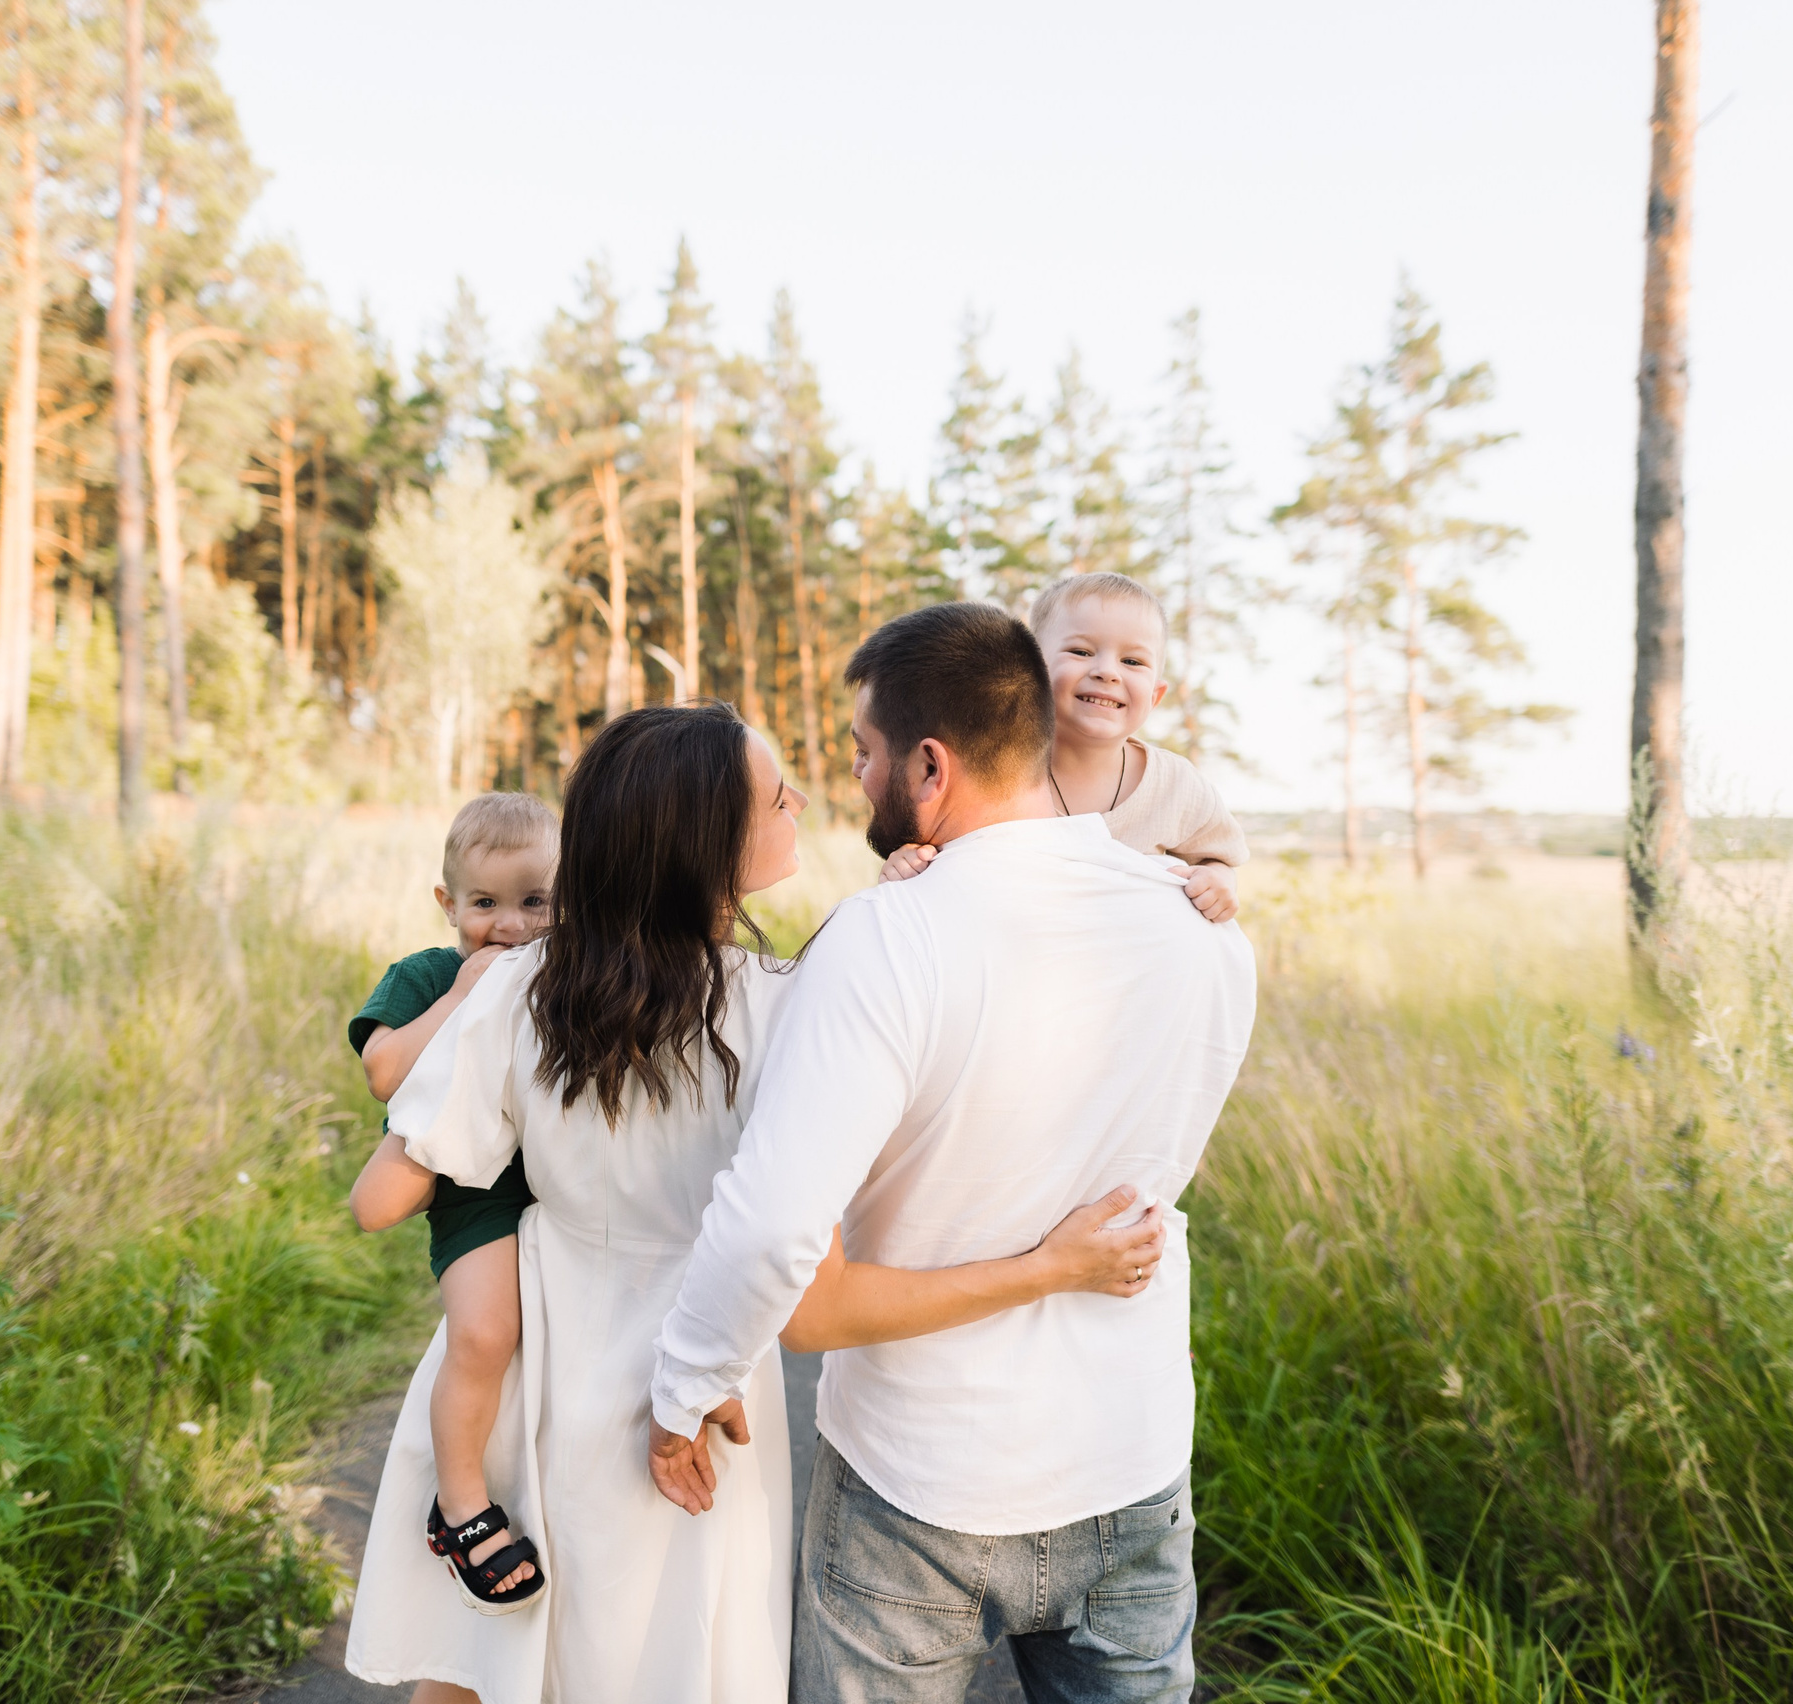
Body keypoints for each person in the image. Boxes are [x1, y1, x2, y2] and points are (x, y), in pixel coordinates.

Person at [345, 702, 1164, 1704]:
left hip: (541, 1345)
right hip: (700, 1355)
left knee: (506, 1654)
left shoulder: (519, 986)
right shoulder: (786, 1001)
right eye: (778, 798)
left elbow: (387, 1194)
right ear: (709, 847)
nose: (802, 801)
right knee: (671, 1649)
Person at [649, 604, 1258, 1704]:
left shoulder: (889, 934)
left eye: (863, 752)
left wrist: (686, 1385)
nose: (853, 778)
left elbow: (776, 1231)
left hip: (918, 1484)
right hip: (1128, 1461)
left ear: (930, 767)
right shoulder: (1208, 939)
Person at [346, 792, 558, 1609]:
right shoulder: (428, 975)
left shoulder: (566, 966)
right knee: (484, 1332)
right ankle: (461, 1503)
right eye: (484, 904)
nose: (509, 926)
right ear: (448, 903)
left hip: (559, 1181)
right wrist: (460, 997)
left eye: (534, 901)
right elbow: (383, 1071)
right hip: (476, 1192)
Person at [877, 571, 1247, 923]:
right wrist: (908, 860)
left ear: (1155, 696)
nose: (1107, 671)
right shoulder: (996, 772)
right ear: (1033, 673)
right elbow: (941, 840)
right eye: (1081, 652)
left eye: (1132, 661)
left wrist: (1218, 880)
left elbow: (1219, 857)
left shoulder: (1176, 785)